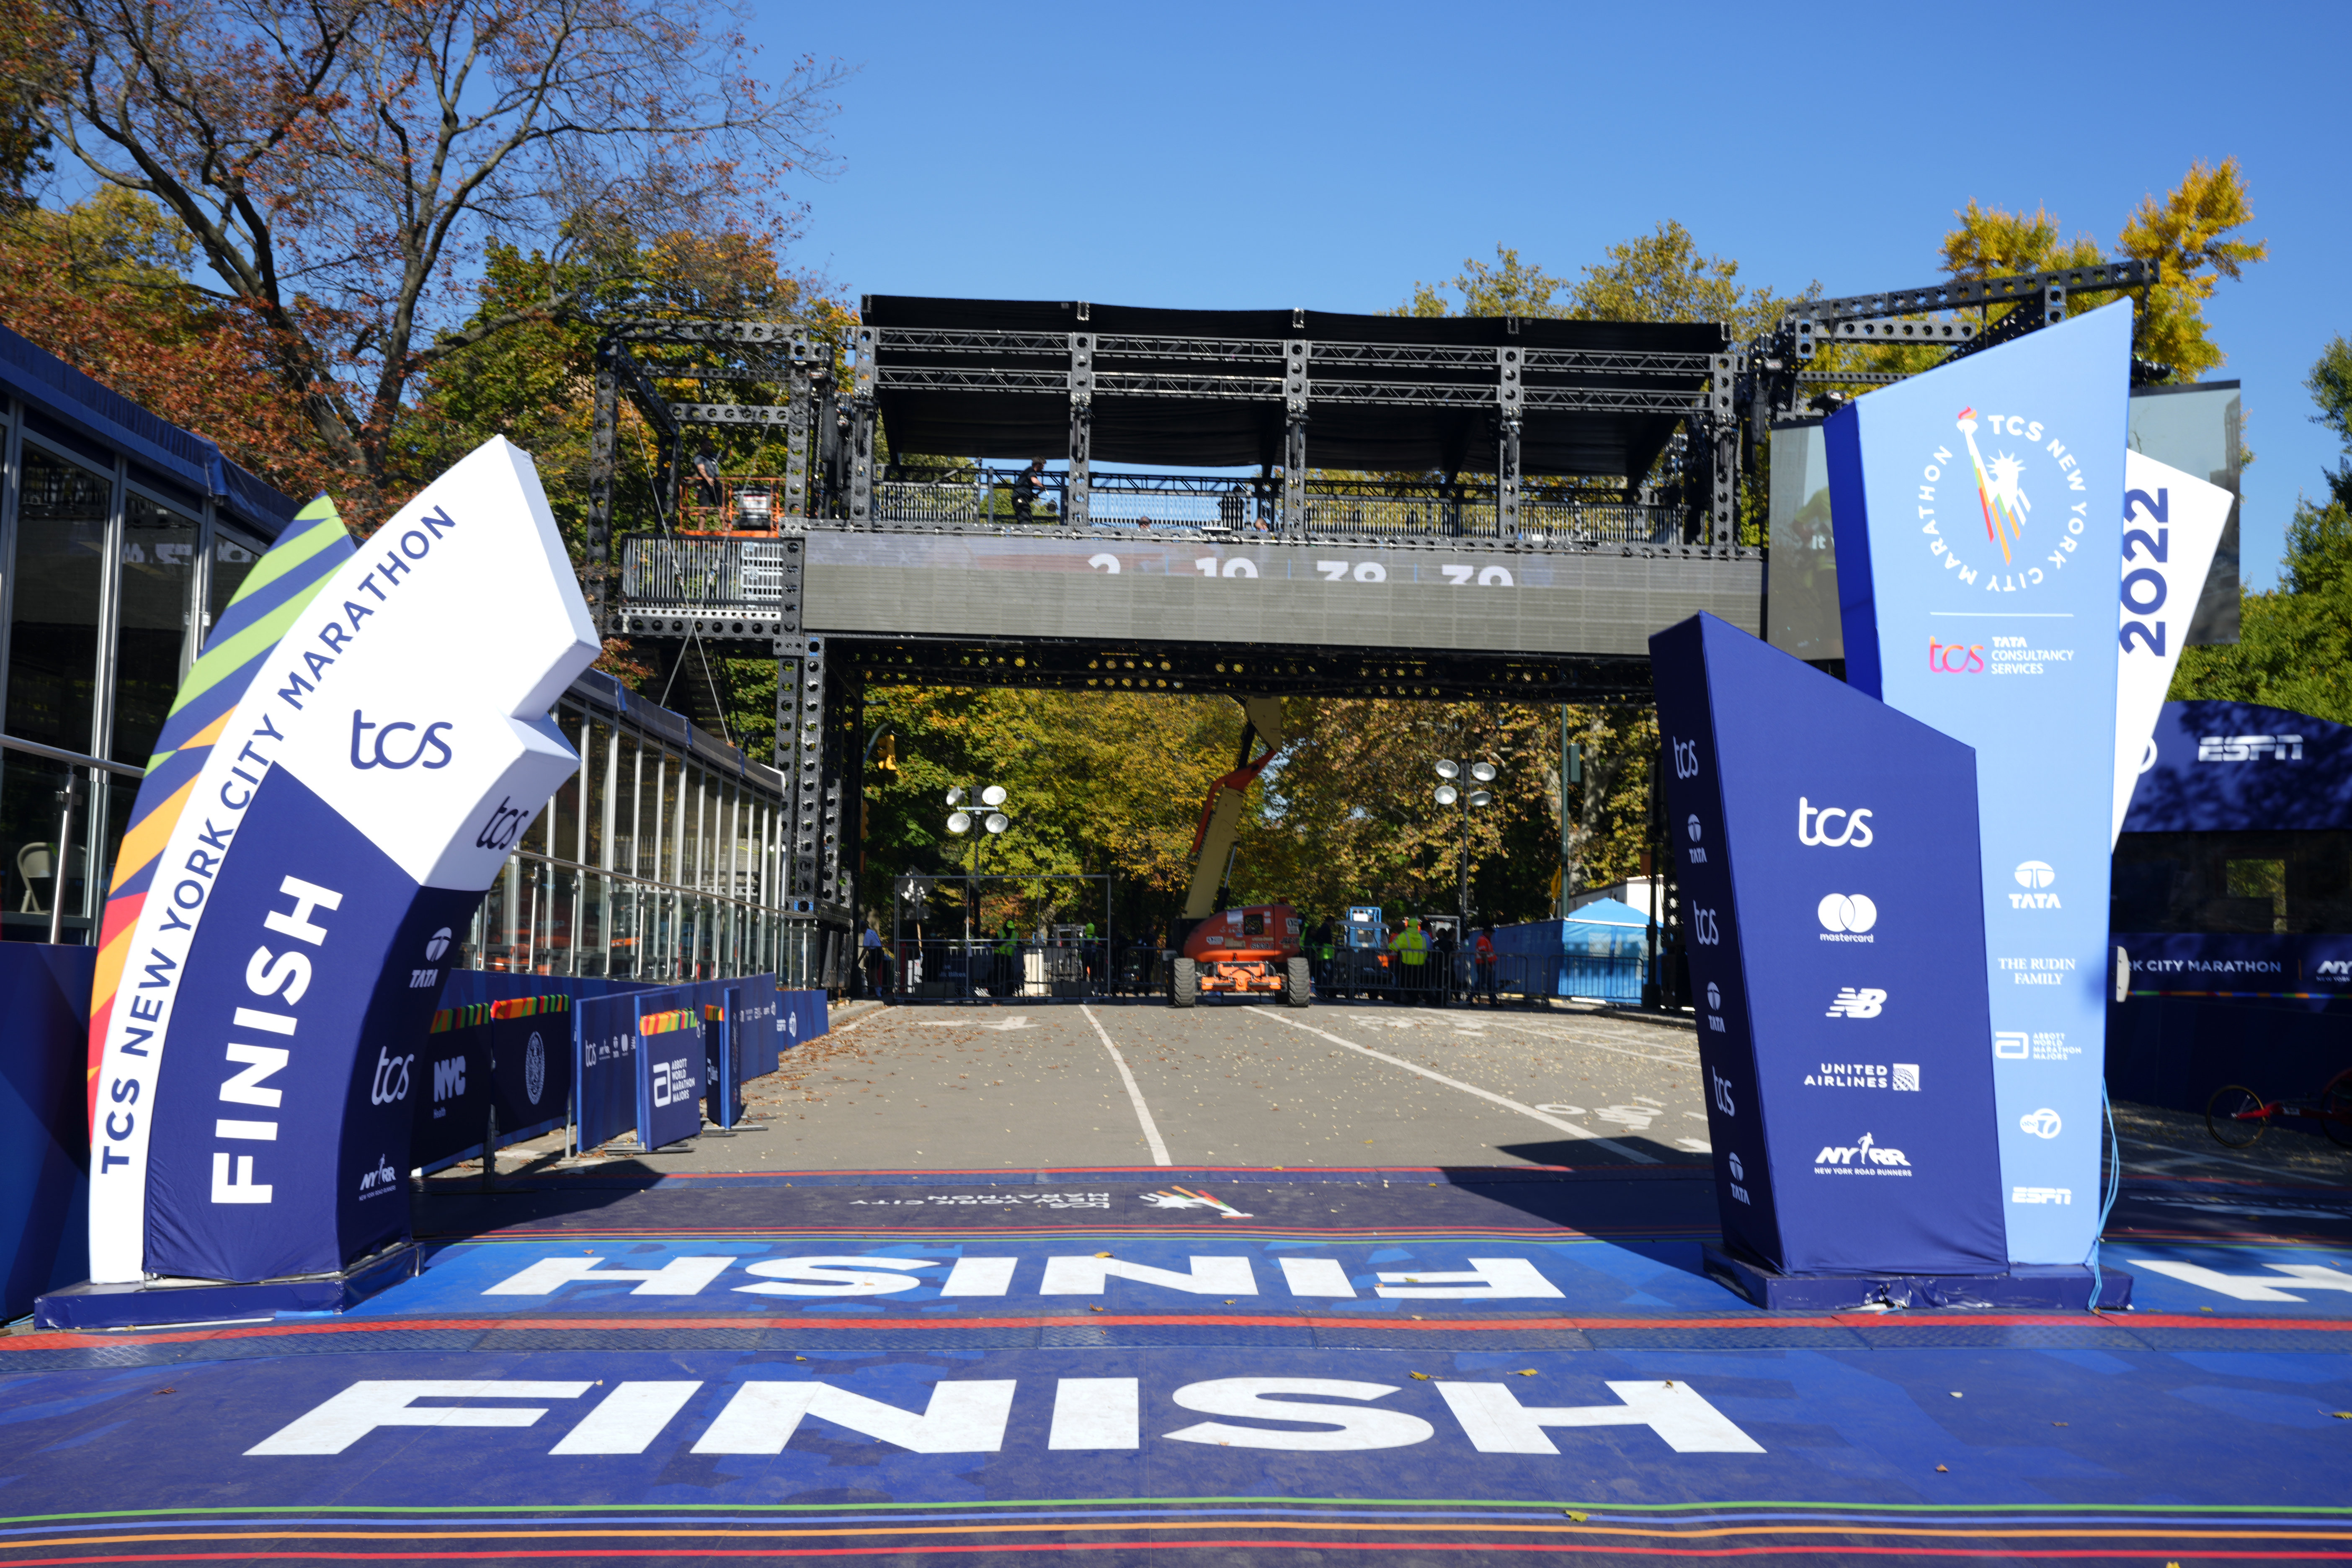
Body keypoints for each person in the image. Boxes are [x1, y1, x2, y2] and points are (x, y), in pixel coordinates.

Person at [1390, 916, 1428, 1000]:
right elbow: (1425, 952)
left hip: (1407, 963)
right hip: (1419, 964)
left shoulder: (1404, 935)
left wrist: (1389, 947)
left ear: (1408, 926)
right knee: (1416, 982)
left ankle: (1408, 997)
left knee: (1405, 981)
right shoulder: (1422, 937)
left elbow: (1394, 947)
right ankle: (1414, 998)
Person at [1011, 457, 1047, 525]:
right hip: (1020, 499)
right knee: (1026, 520)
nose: (1043, 468)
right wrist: (1043, 487)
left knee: (1024, 519)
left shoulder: (1027, 471)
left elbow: (1023, 488)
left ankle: (1019, 531)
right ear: (1038, 464)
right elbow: (1035, 481)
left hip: (1019, 499)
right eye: (1043, 465)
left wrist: (1032, 494)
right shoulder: (1031, 471)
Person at [1474, 923, 1499, 1006]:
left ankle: (1493, 1002)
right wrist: (1488, 965)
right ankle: (1470, 999)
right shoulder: (1483, 940)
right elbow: (1483, 953)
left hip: (1486, 965)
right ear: (1486, 932)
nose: (1492, 935)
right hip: (1484, 965)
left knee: (1490, 984)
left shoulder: (1485, 940)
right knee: (1481, 983)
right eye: (1491, 933)